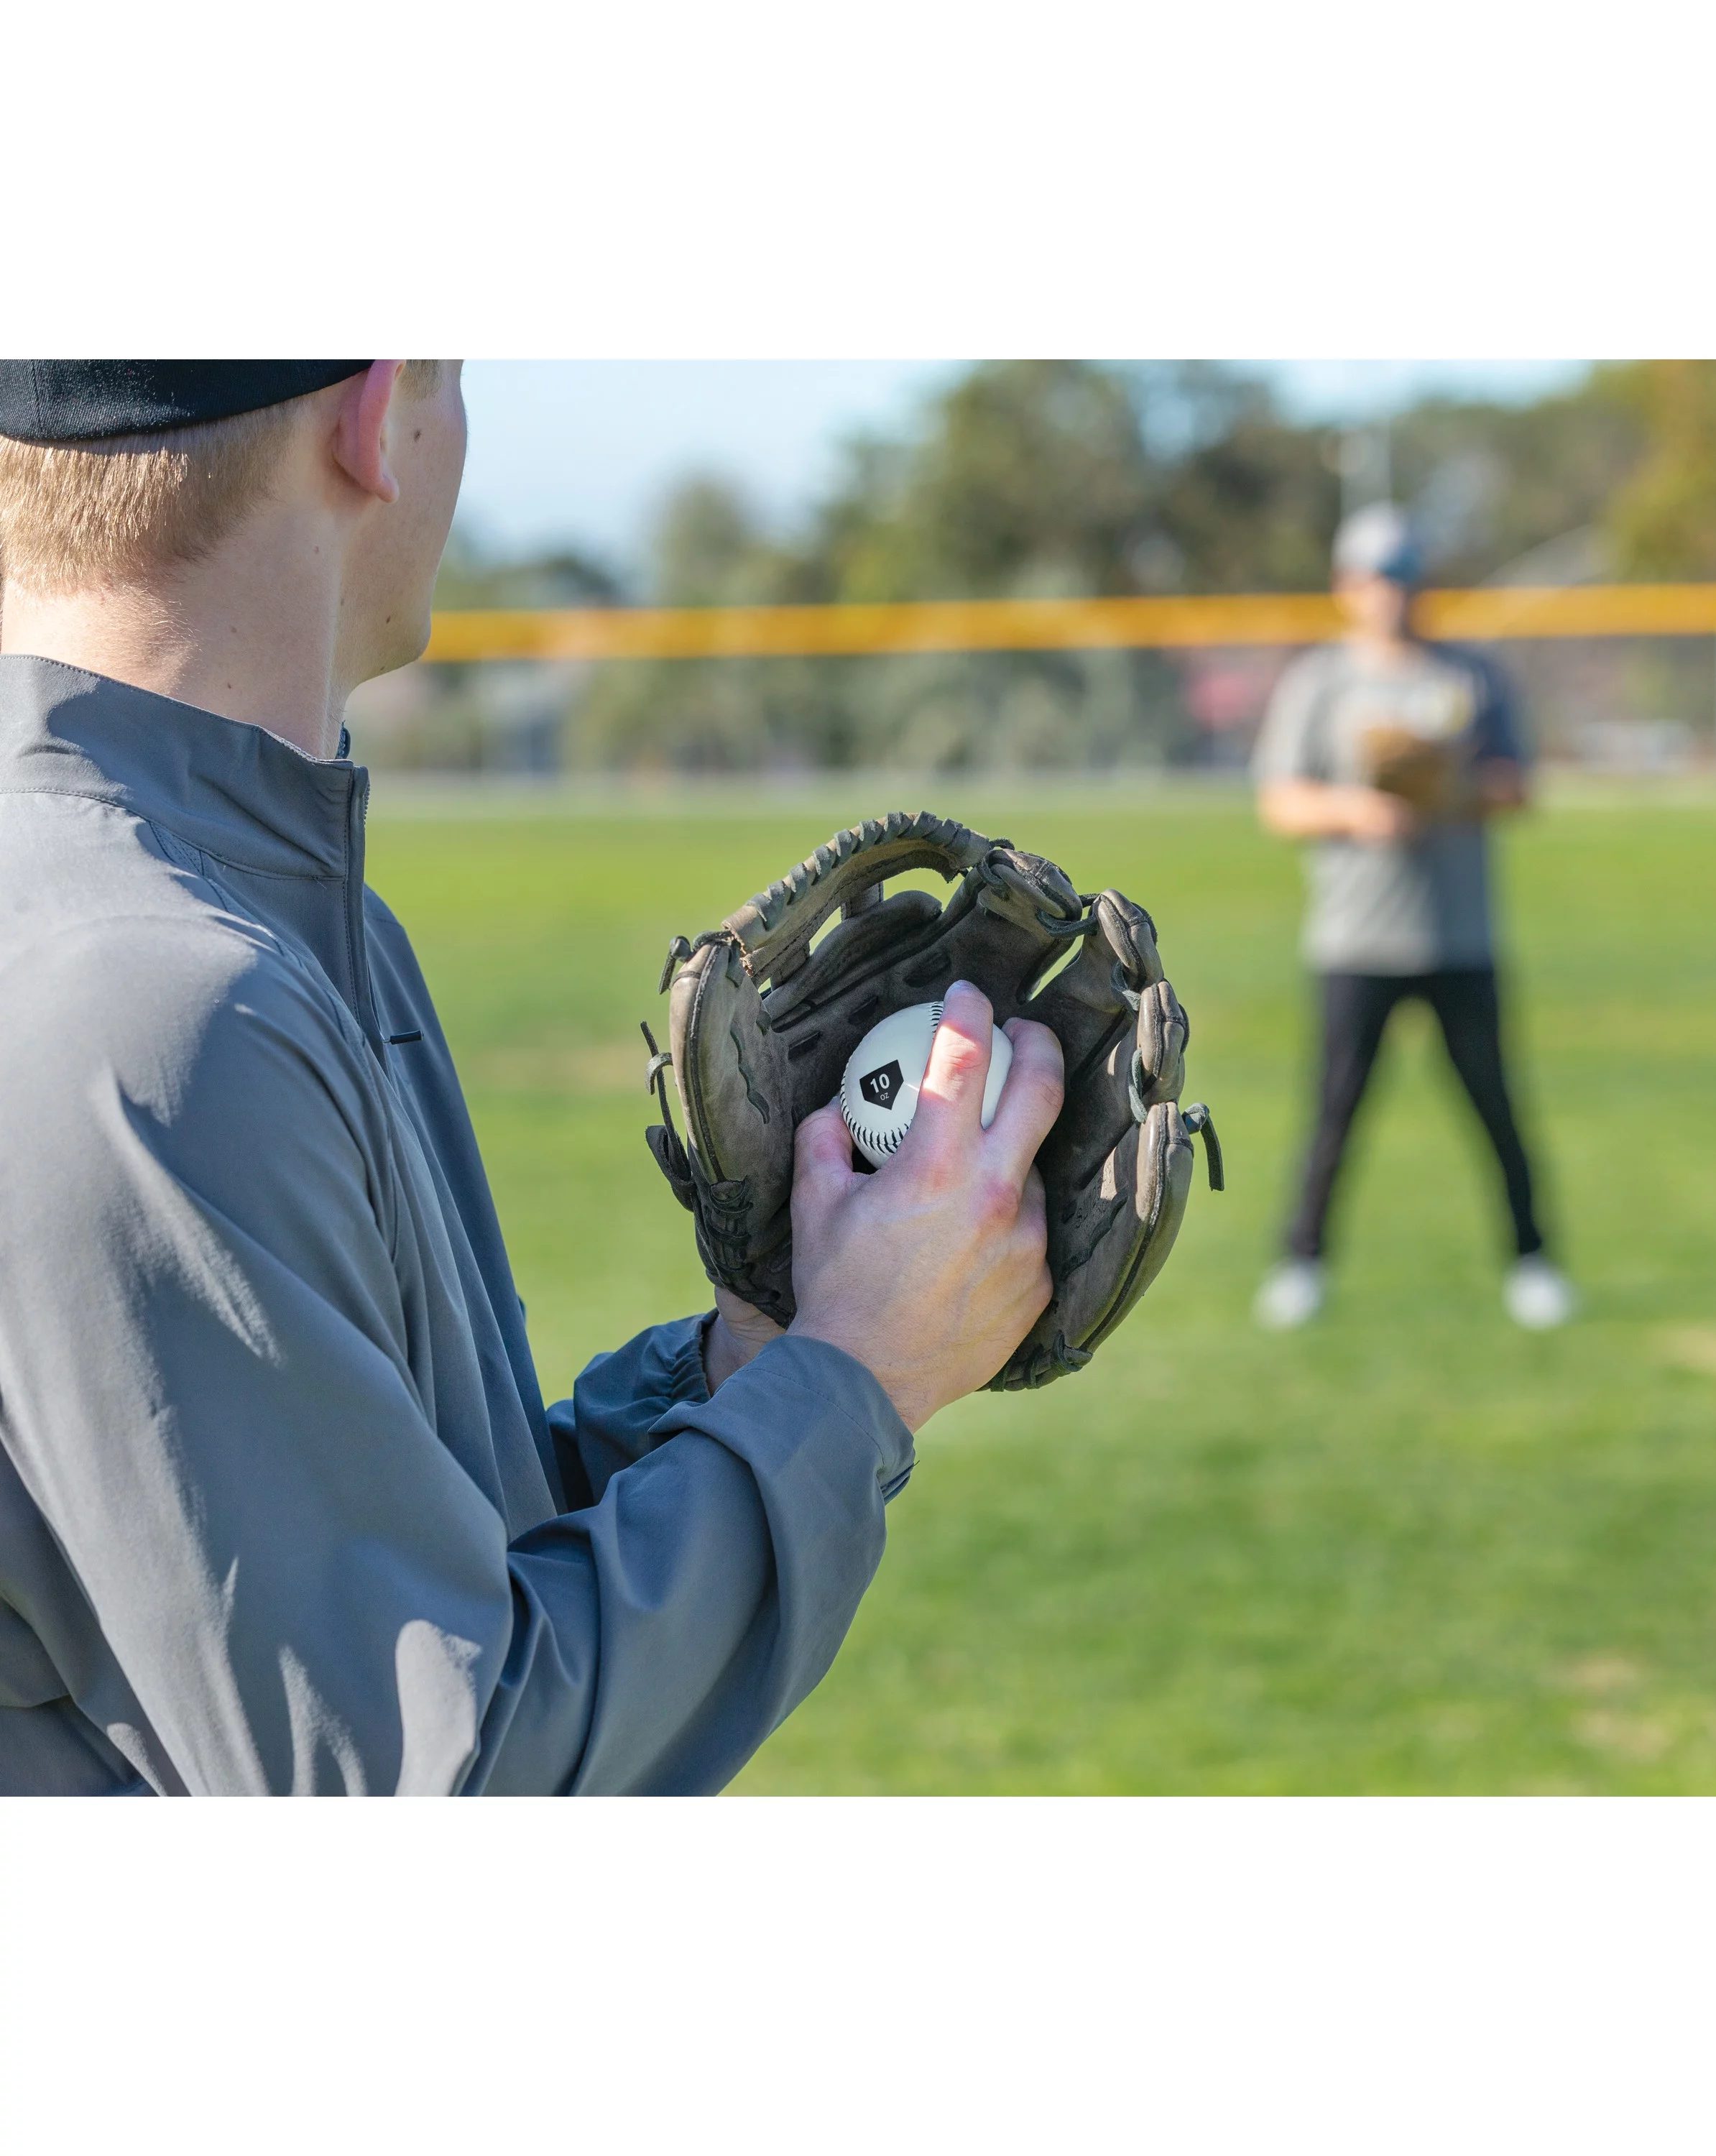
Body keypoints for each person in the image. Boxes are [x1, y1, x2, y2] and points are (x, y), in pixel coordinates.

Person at [0, 361, 1063, 1795]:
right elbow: (431, 1780)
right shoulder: (154, 1002)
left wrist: (750, 1362)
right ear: (378, 419)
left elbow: (431, 1556)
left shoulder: (252, 922)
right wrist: (856, 1377)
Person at [1250, 502, 1574, 1333]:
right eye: (1374, 577)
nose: (1391, 592)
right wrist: (1360, 810)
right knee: (1336, 1112)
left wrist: (1446, 785)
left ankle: (1533, 1262)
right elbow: (1281, 800)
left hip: (1459, 936)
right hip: (1355, 939)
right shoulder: (1321, 681)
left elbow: (1518, 786)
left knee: (1496, 1107)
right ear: (1345, 585)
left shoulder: (1470, 677)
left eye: (1404, 575)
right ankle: (1302, 1264)